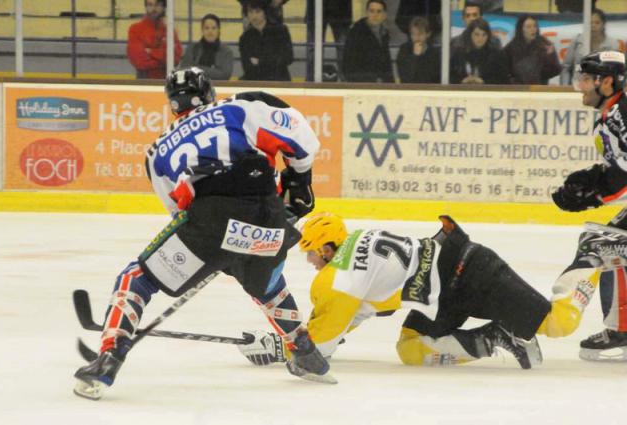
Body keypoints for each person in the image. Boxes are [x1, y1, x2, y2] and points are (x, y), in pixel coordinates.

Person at [73, 67, 334, 400]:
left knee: (136, 278)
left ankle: (108, 357)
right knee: (266, 285)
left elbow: (180, 213)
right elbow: (302, 137)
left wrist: (218, 248)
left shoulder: (156, 153)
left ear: (172, 105)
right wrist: (299, 181)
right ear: (209, 92)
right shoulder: (240, 107)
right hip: (270, 221)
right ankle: (308, 355)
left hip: (210, 220)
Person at [238, 213, 551, 369]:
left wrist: (279, 347)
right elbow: (349, 316)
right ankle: (494, 337)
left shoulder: (337, 281)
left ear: (328, 247)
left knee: (555, 323)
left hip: (468, 273)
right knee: (411, 350)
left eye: (312, 252)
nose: (310, 260)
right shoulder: (359, 238)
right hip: (444, 287)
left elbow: (321, 347)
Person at [546, 51, 627, 361]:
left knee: (607, 246)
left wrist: (595, 191)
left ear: (606, 82)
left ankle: (622, 332)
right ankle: (621, 329)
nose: (580, 85)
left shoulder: (622, 113)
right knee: (605, 242)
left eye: (585, 78)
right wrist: (596, 182)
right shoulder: (613, 114)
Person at [560, 9, 621, 85]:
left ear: (603, 24)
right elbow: (566, 68)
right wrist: (565, 87)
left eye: (597, 23)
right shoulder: (577, 41)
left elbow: (616, 71)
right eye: (590, 23)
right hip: (578, 87)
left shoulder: (612, 44)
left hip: (602, 89)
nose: (593, 26)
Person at [239, 0, 294, 81]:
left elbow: (288, 58)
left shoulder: (280, 31)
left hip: (279, 80)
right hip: (256, 81)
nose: (254, 16)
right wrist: (270, 60)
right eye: (250, 12)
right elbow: (247, 67)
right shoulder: (245, 38)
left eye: (258, 12)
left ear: (265, 12)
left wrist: (260, 62)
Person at [127, 0, 183, 79]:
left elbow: (175, 59)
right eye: (150, 5)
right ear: (146, 7)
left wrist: (151, 52)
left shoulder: (170, 31)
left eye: (157, 5)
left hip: (167, 80)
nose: (154, 8)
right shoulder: (135, 29)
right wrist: (163, 59)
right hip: (143, 81)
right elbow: (138, 60)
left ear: (164, 7)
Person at [342, 0, 394, 83]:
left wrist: (390, 84)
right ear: (366, 13)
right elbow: (348, 65)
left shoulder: (384, 33)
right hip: (361, 84)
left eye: (379, 11)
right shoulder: (356, 33)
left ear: (384, 15)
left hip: (380, 85)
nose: (375, 15)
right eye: (372, 11)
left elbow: (386, 64)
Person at [503, 14, 562, 85]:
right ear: (521, 29)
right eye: (528, 27)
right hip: (518, 90)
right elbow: (504, 72)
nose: (533, 29)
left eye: (535, 26)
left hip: (538, 89)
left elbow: (554, 71)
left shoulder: (544, 44)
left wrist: (550, 57)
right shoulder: (511, 48)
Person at [450, 18, 509, 85]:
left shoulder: (496, 55)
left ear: (488, 36)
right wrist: (462, 81)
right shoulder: (458, 53)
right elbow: (450, 75)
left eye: (484, 35)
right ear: (470, 35)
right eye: (477, 34)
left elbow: (503, 79)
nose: (480, 38)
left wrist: (484, 81)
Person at [305, 0, 352, 81]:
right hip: (316, 8)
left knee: (343, 49)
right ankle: (311, 82)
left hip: (341, 8)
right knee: (314, 49)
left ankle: (346, 81)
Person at [179, 14, 233, 81]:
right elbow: (183, 70)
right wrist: (212, 71)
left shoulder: (226, 52)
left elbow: (224, 75)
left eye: (213, 28)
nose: (210, 31)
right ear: (202, 30)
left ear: (219, 30)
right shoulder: (192, 49)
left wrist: (197, 68)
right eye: (207, 28)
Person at [396, 16, 440, 84]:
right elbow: (405, 76)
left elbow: (434, 77)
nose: (417, 37)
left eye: (420, 34)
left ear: (428, 34)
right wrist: (415, 56)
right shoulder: (404, 49)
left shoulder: (434, 53)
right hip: (409, 90)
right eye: (413, 34)